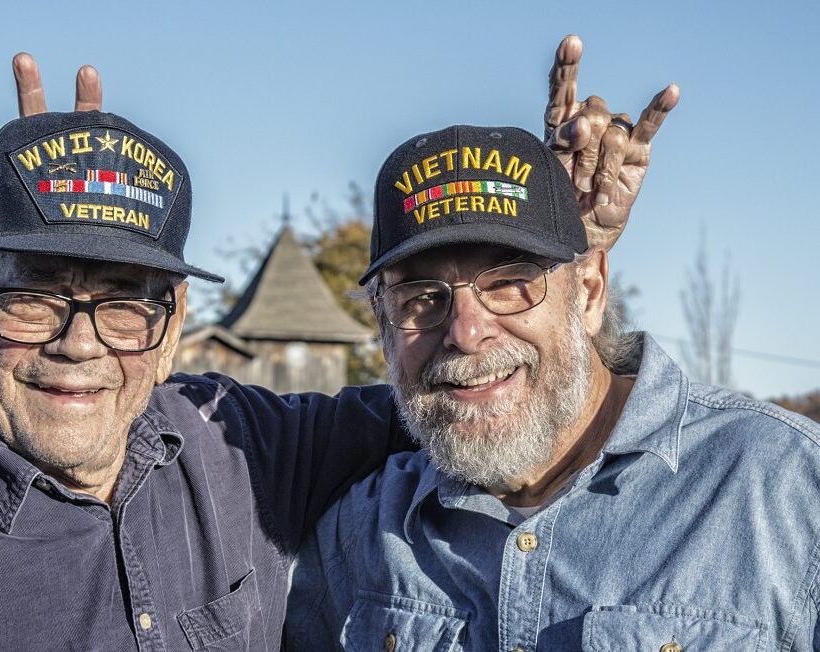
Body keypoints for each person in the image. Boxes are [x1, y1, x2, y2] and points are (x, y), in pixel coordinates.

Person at [0, 37, 669, 650]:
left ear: (172, 326)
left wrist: (547, 252)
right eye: (30, 298)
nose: (78, 344)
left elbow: (475, 397)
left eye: (126, 303)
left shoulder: (236, 445)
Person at [284, 124, 820, 649]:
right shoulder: (359, 532)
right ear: (382, 322)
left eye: (510, 283)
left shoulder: (783, 486)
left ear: (588, 292)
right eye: (421, 297)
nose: (467, 333)